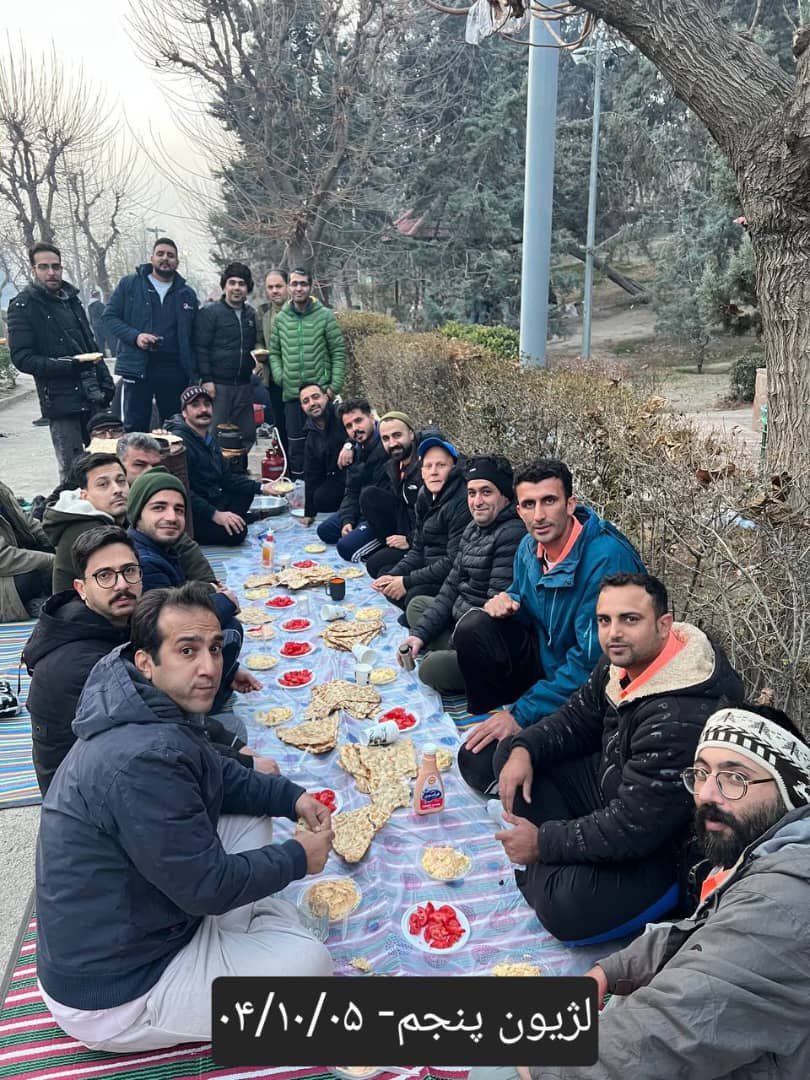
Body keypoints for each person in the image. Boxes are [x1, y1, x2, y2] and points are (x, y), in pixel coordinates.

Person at [35, 582, 334, 1052]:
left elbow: (219, 774)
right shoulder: (142, 758)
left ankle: (238, 936)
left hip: (149, 917)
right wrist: (299, 858)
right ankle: (242, 942)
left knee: (251, 817)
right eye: (187, 651)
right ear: (145, 662)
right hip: (120, 990)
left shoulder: (146, 707)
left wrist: (290, 798)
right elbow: (207, 886)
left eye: (214, 648)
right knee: (312, 964)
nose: (209, 667)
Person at [472, 706, 810, 1080]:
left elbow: (670, 1027)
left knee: (491, 1066)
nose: (707, 795)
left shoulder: (782, 900)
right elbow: (697, 931)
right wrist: (610, 970)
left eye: (735, 778)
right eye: (701, 774)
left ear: (792, 788)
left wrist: (540, 1060)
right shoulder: (761, 852)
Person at [486, 573, 744, 944]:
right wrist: (524, 747)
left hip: (660, 848)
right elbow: (576, 718)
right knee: (512, 758)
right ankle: (552, 863)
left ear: (663, 625)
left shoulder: (678, 716)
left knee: (563, 908)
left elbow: (634, 826)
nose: (614, 633)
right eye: (604, 620)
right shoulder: (622, 659)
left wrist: (544, 842)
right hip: (612, 786)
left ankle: (546, 866)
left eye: (630, 619)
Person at [456, 458, 644, 779]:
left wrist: (522, 714)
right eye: (529, 504)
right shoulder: (529, 547)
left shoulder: (607, 561)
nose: (539, 515)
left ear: (570, 504)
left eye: (549, 501)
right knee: (474, 626)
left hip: (597, 691)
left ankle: (557, 755)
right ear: (518, 510)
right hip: (550, 665)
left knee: (478, 765)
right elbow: (526, 597)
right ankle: (495, 719)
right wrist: (509, 600)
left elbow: (593, 665)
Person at [126, 468, 255, 712]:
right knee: (229, 629)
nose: (171, 517)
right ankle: (201, 707)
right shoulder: (145, 563)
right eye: (159, 508)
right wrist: (225, 602)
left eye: (179, 510)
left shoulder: (162, 545)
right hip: (159, 657)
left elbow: (197, 577)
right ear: (137, 513)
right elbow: (175, 623)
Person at [402, 455, 524, 699]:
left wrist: (454, 643)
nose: (477, 501)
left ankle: (458, 661)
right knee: (417, 606)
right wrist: (420, 634)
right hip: (460, 621)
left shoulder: (512, 534)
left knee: (430, 669)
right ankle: (445, 650)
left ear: (505, 496)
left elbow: (491, 618)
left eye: (486, 492)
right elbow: (450, 586)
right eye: (471, 493)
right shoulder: (473, 528)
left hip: (487, 645)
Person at [8, 242, 114, 482]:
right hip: (61, 401)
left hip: (93, 395)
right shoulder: (23, 306)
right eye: (44, 267)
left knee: (106, 463)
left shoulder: (72, 300)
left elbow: (90, 345)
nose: (51, 272)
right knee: (73, 472)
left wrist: (106, 380)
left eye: (55, 267)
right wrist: (68, 365)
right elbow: (22, 359)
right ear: (34, 270)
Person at [104, 237, 199, 433]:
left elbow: (195, 335)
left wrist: (195, 372)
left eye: (170, 255)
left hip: (174, 370)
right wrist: (135, 337)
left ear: (177, 262)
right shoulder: (130, 284)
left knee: (175, 428)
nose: (165, 259)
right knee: (135, 428)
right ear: (152, 258)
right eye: (160, 254)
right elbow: (110, 317)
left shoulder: (187, 294)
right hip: (138, 367)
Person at [372, 435, 470, 614]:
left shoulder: (461, 501)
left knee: (412, 596)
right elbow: (417, 549)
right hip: (430, 566)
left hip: (453, 577)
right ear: (422, 472)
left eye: (441, 465)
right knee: (386, 577)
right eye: (428, 466)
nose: (434, 472)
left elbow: (454, 561)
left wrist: (407, 581)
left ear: (453, 468)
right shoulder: (424, 495)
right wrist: (394, 575)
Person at [167, 385, 276, 545]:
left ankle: (235, 519)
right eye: (195, 405)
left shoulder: (209, 439)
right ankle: (229, 523)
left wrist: (262, 487)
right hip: (192, 511)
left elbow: (227, 478)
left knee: (246, 490)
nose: (203, 410)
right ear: (184, 412)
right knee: (238, 533)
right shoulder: (179, 443)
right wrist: (215, 514)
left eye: (207, 404)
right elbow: (183, 491)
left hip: (211, 499)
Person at [269, 267, 346, 480]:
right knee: (296, 449)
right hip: (293, 395)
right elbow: (274, 352)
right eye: (294, 284)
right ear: (289, 287)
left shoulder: (325, 316)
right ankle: (300, 491)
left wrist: (332, 388)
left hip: (320, 395)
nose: (298, 288)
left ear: (310, 287)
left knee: (327, 445)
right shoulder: (281, 319)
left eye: (303, 284)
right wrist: (280, 377)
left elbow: (338, 352)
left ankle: (328, 489)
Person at [316, 397, 389, 562]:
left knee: (345, 548)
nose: (355, 428)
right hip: (361, 508)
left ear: (371, 417)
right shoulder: (355, 449)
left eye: (359, 421)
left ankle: (379, 544)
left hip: (381, 516)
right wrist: (347, 520)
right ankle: (356, 529)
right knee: (325, 530)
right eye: (349, 426)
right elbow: (352, 491)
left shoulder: (387, 443)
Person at [195, 261, 259, 450]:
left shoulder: (251, 314)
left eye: (241, 284)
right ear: (224, 286)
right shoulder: (210, 313)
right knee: (215, 433)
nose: (236, 288)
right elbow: (201, 348)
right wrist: (207, 379)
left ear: (247, 288)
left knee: (246, 434)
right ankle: (214, 466)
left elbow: (256, 344)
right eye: (232, 283)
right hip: (218, 385)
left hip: (244, 384)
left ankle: (240, 465)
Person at [43, 453, 129, 592]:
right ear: (84, 495)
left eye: (121, 481)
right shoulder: (90, 531)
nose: (117, 490)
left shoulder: (107, 519)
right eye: (103, 484)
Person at [359, 411, 423, 577]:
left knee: (377, 568)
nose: (392, 443)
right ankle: (390, 547)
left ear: (411, 434)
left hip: (425, 539)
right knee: (369, 495)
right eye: (386, 439)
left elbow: (434, 517)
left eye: (397, 435)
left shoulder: (425, 466)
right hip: (406, 525)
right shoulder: (393, 465)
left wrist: (409, 540)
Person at [0, 479, 54, 622]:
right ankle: (31, 604)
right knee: (31, 577)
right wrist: (50, 560)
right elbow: (3, 557)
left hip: (14, 558)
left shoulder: (1, 488)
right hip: (6, 570)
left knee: (62, 553)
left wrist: (56, 541)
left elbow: (27, 523)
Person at [300, 383, 347, 526]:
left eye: (316, 397)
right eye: (306, 401)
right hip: (339, 480)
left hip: (359, 472)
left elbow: (363, 429)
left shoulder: (341, 415)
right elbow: (311, 474)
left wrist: (349, 445)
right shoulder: (311, 436)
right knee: (320, 499)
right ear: (302, 407)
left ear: (326, 397)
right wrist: (309, 513)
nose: (312, 403)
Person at [254, 268, 288, 448]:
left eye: (278, 286)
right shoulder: (263, 312)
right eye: (270, 287)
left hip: (298, 379)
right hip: (274, 379)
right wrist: (259, 353)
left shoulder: (297, 309)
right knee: (280, 426)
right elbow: (259, 339)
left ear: (288, 286)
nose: (274, 291)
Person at [86, 289, 110, 355]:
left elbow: (90, 318)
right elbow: (104, 315)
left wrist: (92, 325)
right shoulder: (99, 304)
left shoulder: (89, 306)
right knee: (110, 340)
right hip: (103, 326)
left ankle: (102, 355)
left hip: (95, 326)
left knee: (100, 343)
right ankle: (114, 354)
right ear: (98, 296)